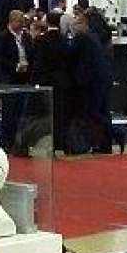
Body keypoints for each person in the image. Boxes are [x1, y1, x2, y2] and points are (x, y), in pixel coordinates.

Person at [28, 15, 73, 153]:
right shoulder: (64, 40)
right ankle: (60, 142)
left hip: (45, 82)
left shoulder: (41, 40)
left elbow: (38, 63)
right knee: (60, 113)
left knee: (45, 114)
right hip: (62, 82)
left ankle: (44, 141)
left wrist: (33, 81)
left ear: (47, 22)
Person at [71, 12, 113, 154]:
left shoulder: (84, 37)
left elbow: (71, 54)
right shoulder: (98, 36)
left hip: (92, 80)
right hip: (103, 77)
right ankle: (106, 142)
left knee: (93, 112)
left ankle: (115, 133)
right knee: (102, 110)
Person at [0, 10, 30, 84]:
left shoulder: (26, 36)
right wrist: (15, 66)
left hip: (25, 76)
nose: (22, 24)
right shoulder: (2, 37)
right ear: (11, 22)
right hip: (8, 77)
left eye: (22, 22)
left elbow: (30, 52)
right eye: (19, 22)